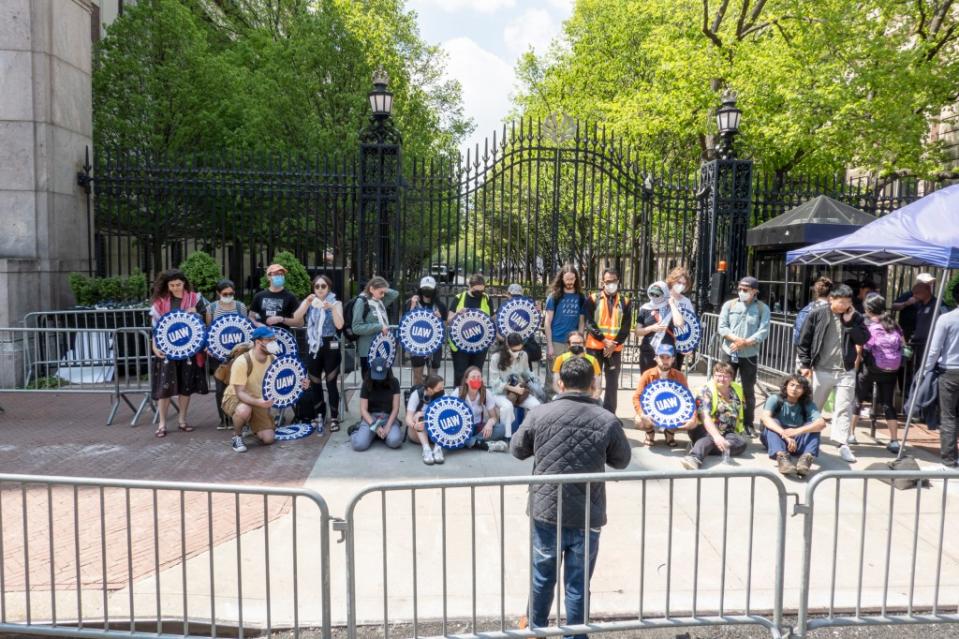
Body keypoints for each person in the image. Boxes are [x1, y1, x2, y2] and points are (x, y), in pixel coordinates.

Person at [510, 356, 632, 637]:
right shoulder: (607, 419)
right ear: (592, 385)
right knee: (577, 586)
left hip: (546, 512)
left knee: (542, 579)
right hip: (586, 514)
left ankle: (536, 631)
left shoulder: (540, 414)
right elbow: (622, 459)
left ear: (560, 383)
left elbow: (517, 449)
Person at [797, 284, 870, 463]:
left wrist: (850, 322)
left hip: (846, 369)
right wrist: (805, 364)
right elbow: (804, 339)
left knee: (843, 408)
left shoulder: (856, 317)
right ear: (831, 299)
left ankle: (842, 443)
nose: (843, 306)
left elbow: (864, 339)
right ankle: (806, 439)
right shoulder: (818, 314)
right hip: (821, 369)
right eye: (840, 302)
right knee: (814, 407)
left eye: (847, 302)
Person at [223, 326, 308, 453]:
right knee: (244, 410)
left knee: (268, 439)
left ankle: (251, 426)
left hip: (258, 398)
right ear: (258, 342)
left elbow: (286, 380)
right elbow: (240, 393)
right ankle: (237, 436)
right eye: (269, 340)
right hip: (236, 396)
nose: (274, 343)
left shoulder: (273, 359)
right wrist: (258, 403)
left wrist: (302, 383)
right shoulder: (242, 362)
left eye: (274, 340)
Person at [149, 269, 209, 438]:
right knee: (165, 388)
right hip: (167, 350)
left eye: (178, 284)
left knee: (186, 387)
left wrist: (195, 313)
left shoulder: (195, 299)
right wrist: (154, 346)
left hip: (189, 350)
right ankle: (162, 423)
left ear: (184, 283)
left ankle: (182, 420)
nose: (175, 288)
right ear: (167, 285)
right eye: (172, 285)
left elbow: (207, 319)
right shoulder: (160, 302)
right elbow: (155, 328)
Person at [717, 276, 771, 438]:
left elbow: (763, 331)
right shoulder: (730, 305)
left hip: (749, 355)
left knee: (748, 390)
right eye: (740, 289)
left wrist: (745, 342)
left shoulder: (762, 308)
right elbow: (722, 327)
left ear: (754, 291)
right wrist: (736, 340)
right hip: (729, 352)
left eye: (746, 290)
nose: (742, 292)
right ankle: (724, 419)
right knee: (724, 386)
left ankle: (748, 423)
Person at [292, 274, 345, 432]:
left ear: (328, 287)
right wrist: (306, 303)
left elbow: (339, 324)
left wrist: (332, 308)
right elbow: (296, 317)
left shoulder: (336, 302)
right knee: (314, 382)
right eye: (317, 286)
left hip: (330, 344)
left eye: (323, 286)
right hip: (313, 345)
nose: (320, 289)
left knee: (331, 382)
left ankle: (334, 417)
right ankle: (319, 415)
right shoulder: (311, 302)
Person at [855, 295, 904, 453]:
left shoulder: (868, 324)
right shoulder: (894, 324)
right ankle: (894, 440)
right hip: (891, 370)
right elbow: (903, 344)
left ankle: (850, 435)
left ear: (868, 309)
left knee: (858, 399)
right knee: (887, 404)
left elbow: (864, 346)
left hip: (871, 368)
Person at [681, 361, 749, 469]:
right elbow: (705, 417)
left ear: (732, 377)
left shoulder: (737, 389)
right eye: (718, 376)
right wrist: (717, 436)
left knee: (741, 444)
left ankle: (701, 446)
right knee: (711, 438)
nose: (722, 379)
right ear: (713, 376)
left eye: (726, 376)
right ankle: (695, 457)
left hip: (727, 432)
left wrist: (722, 438)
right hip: (703, 429)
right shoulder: (705, 390)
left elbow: (740, 410)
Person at [584, 267, 632, 413]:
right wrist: (604, 341)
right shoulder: (592, 298)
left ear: (618, 281)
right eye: (608, 281)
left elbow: (626, 327)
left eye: (614, 281)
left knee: (612, 383)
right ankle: (592, 413)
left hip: (614, 350)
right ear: (602, 282)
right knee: (593, 380)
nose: (611, 284)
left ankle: (610, 414)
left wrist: (613, 344)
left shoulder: (625, 301)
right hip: (595, 347)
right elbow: (589, 322)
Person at [759, 374, 826, 477]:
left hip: (796, 440)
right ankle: (782, 458)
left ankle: (805, 460)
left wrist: (796, 431)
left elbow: (821, 424)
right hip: (776, 438)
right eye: (792, 385)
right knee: (773, 422)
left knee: (813, 426)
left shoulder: (807, 404)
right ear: (786, 386)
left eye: (799, 387)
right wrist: (785, 434)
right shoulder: (775, 399)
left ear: (804, 390)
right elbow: (765, 418)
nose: (794, 389)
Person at [923, 280, 959, 470]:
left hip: (950, 371)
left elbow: (934, 349)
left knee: (948, 416)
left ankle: (949, 460)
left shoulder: (946, 319)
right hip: (950, 370)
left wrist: (926, 369)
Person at [632, 344, 697, 447]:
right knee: (638, 420)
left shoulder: (679, 376)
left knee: (693, 422)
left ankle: (670, 433)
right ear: (656, 358)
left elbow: (688, 399)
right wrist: (641, 413)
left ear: (673, 359)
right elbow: (636, 397)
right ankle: (650, 433)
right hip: (652, 413)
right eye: (662, 357)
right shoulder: (647, 374)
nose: (665, 360)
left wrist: (693, 417)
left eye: (668, 357)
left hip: (672, 412)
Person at [205, 279, 248, 430]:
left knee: (237, 385)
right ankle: (223, 418)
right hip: (218, 355)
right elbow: (209, 329)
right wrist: (209, 347)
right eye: (225, 294)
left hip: (238, 354)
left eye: (231, 293)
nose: (228, 296)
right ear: (218, 293)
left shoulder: (240, 306)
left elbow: (245, 327)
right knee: (219, 388)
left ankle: (236, 415)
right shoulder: (211, 308)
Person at [489, 332, 543, 437]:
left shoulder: (523, 355)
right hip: (501, 393)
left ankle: (531, 434)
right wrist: (513, 389)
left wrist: (536, 384)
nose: (517, 353)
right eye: (514, 350)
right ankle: (507, 437)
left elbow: (527, 373)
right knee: (507, 407)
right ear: (507, 346)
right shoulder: (496, 358)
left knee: (537, 406)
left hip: (519, 392)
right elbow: (495, 383)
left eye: (520, 349)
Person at [449, 274, 495, 387]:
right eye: (476, 290)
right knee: (460, 374)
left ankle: (475, 399)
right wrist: (457, 313)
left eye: (481, 290)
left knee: (476, 373)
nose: (479, 293)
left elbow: (493, 320)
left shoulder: (487, 299)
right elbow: (449, 320)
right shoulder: (459, 298)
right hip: (460, 344)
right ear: (469, 286)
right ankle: (460, 397)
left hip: (480, 343)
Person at [350, 357, 403, 451]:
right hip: (371, 417)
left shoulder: (394, 382)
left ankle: (378, 434)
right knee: (359, 445)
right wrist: (375, 426)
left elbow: (395, 408)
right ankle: (357, 430)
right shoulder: (366, 383)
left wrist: (388, 426)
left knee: (395, 441)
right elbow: (363, 409)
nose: (379, 379)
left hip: (388, 417)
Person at [351, 276, 400, 378]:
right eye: (381, 292)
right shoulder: (362, 302)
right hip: (368, 350)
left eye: (384, 293)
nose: (383, 295)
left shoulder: (379, 301)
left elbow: (395, 294)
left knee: (384, 381)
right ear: (371, 289)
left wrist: (383, 288)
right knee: (370, 382)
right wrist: (378, 327)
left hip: (382, 347)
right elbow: (356, 327)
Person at [405, 276, 449, 387]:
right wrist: (412, 306)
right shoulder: (412, 303)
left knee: (433, 377)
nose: (427, 291)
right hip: (417, 344)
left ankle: (432, 398)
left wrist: (439, 319)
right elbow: (405, 323)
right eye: (425, 288)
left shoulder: (440, 305)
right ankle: (418, 397)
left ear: (434, 289)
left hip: (434, 345)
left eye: (429, 288)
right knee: (417, 376)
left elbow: (445, 326)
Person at [634, 280, 687, 372]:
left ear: (665, 293)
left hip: (667, 353)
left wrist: (672, 304)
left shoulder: (672, 308)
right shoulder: (645, 308)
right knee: (648, 382)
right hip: (649, 351)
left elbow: (680, 323)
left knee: (668, 383)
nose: (655, 297)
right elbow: (637, 332)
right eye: (652, 294)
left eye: (657, 294)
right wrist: (651, 328)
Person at [459, 366, 508, 451]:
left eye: (479, 377)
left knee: (501, 429)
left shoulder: (485, 393)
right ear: (466, 380)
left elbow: (494, 417)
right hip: (463, 428)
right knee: (456, 436)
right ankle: (480, 443)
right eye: (473, 377)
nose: (476, 379)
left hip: (478, 428)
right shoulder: (458, 393)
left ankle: (471, 442)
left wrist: (489, 423)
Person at [544, 265, 586, 360]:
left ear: (576, 279)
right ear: (562, 278)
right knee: (554, 374)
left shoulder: (581, 298)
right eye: (567, 279)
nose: (569, 282)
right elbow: (547, 322)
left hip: (572, 343)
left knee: (572, 373)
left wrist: (580, 343)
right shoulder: (553, 297)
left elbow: (581, 323)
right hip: (556, 342)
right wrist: (550, 344)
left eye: (572, 279)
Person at [405, 374, 447, 465]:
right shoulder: (417, 394)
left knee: (444, 417)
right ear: (429, 389)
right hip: (418, 431)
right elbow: (408, 418)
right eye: (439, 388)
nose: (442, 390)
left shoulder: (443, 395)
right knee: (419, 415)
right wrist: (414, 425)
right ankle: (426, 449)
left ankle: (438, 448)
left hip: (436, 433)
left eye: (442, 387)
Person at [249, 263, 302, 330]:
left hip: (283, 337)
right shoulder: (259, 296)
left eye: (281, 274)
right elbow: (251, 317)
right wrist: (257, 324)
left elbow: (300, 323)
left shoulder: (291, 297)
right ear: (269, 277)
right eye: (276, 274)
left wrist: (282, 319)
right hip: (264, 337)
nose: (279, 276)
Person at [551, 331, 601, 398]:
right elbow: (555, 383)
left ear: (584, 344)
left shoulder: (592, 360)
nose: (577, 345)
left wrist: (594, 396)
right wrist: (563, 394)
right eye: (574, 343)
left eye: (580, 343)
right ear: (569, 345)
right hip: (566, 395)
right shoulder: (560, 359)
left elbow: (597, 385)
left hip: (587, 396)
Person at [792, 276, 832, 348]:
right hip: (823, 352)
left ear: (815, 293)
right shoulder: (832, 311)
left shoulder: (805, 309)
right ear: (830, 294)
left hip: (803, 351)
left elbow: (797, 335)